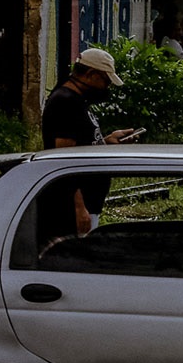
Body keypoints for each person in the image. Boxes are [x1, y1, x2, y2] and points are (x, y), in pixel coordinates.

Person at [41, 48, 137, 236]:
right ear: (91, 74)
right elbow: (64, 160)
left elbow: (80, 144)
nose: (106, 88)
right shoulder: (66, 102)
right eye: (106, 81)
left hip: (88, 202)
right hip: (74, 206)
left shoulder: (76, 100)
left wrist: (106, 142)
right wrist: (78, 207)